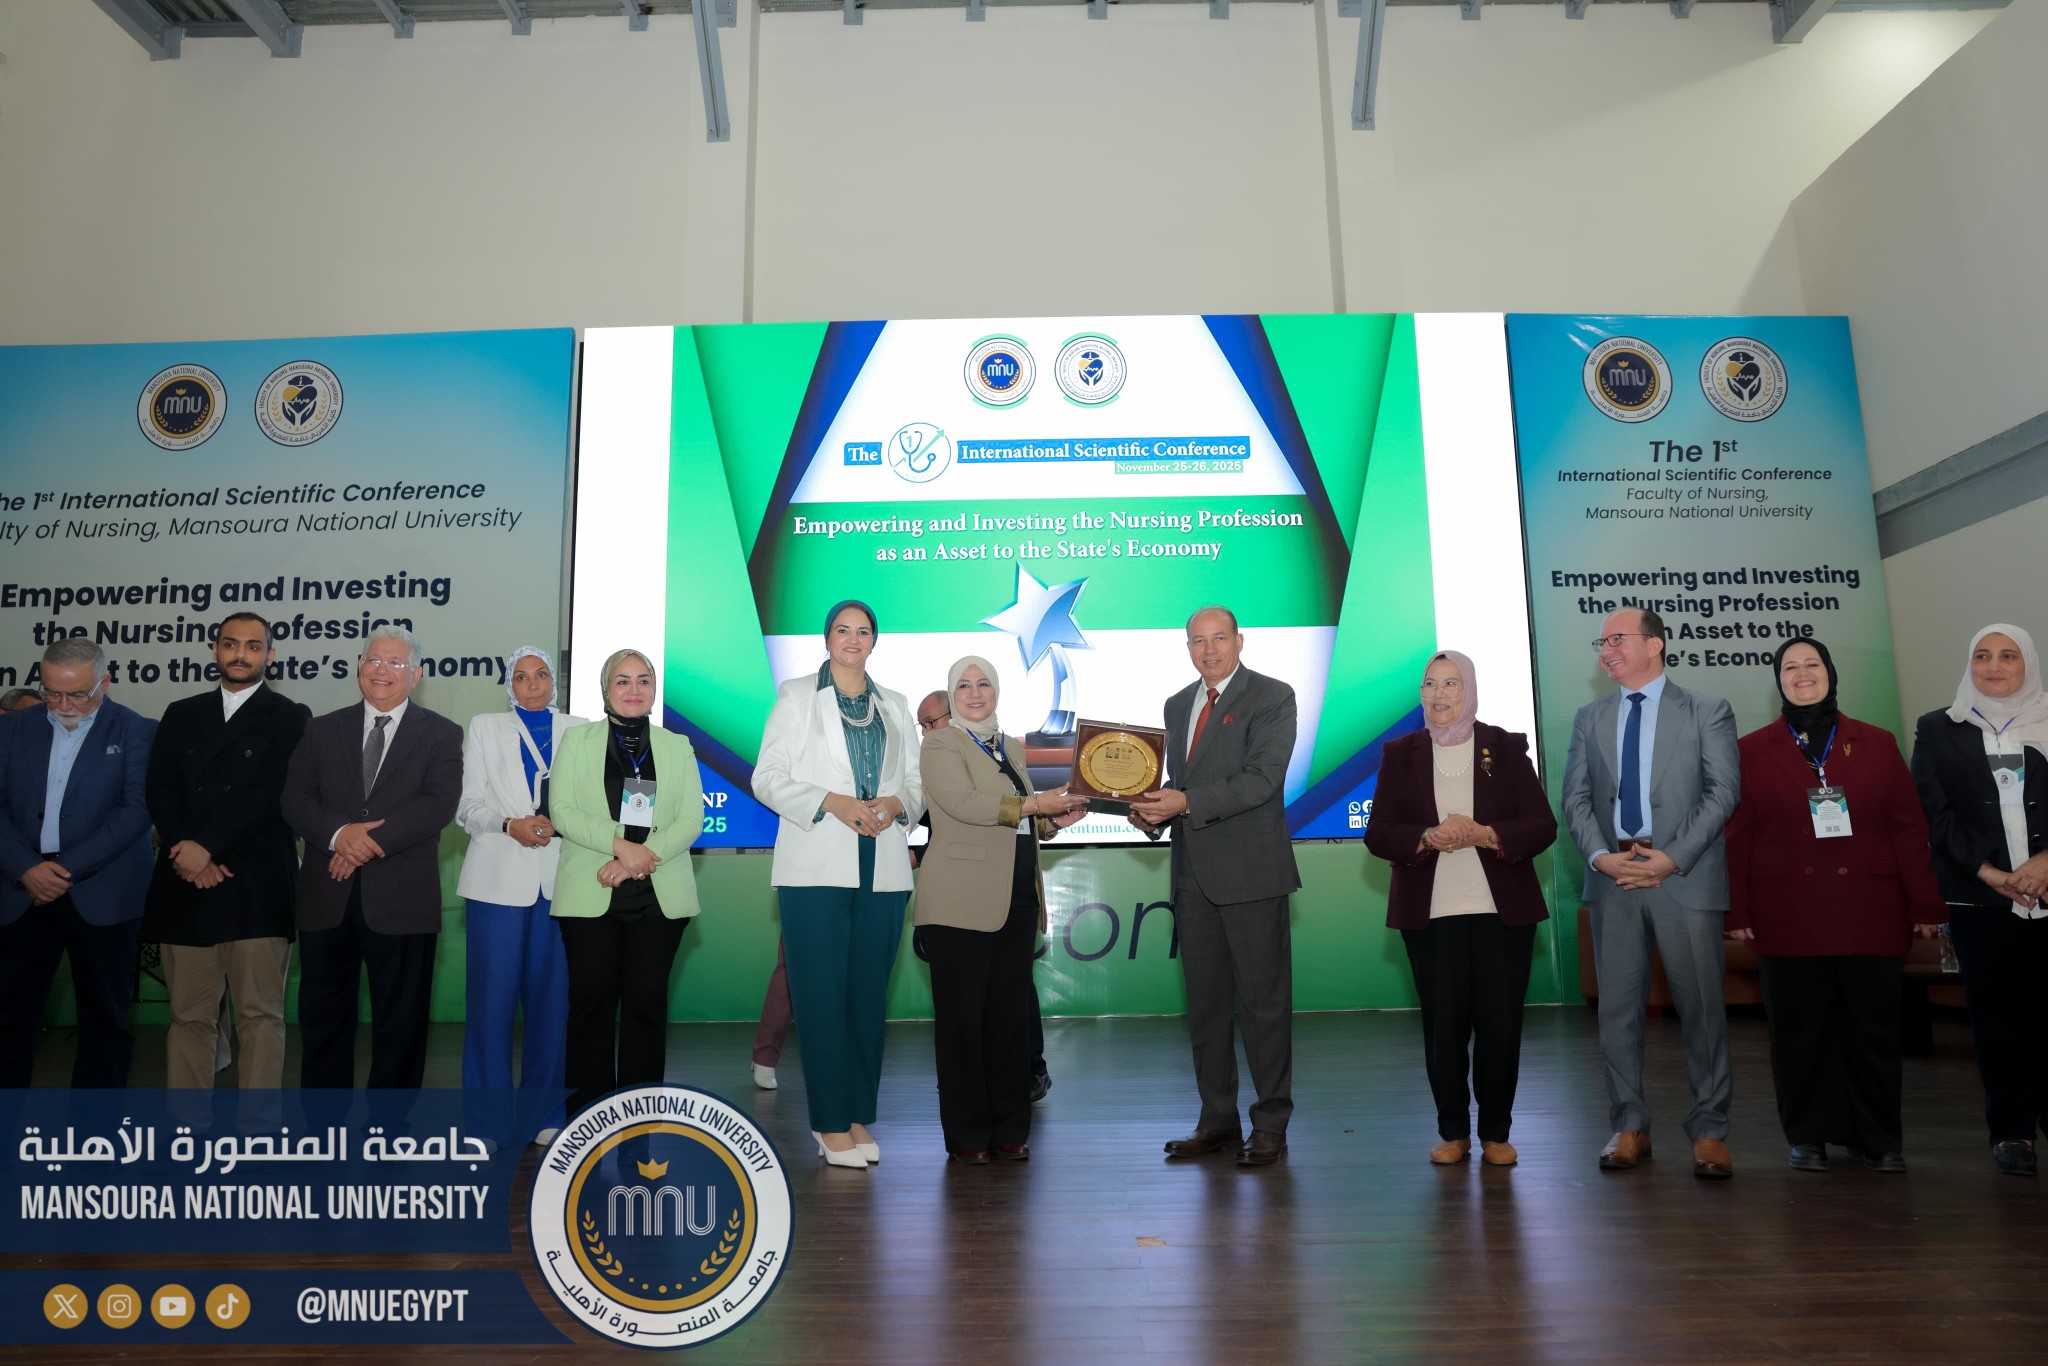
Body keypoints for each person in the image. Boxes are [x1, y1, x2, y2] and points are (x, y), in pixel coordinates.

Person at [1728, 638, 1945, 1173]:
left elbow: (1908, 827)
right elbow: (1738, 836)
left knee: (1874, 1030)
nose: (1802, 673)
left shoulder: (1878, 742)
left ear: (1830, 672)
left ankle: (1878, 1139)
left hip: (1870, 906)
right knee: (1799, 1032)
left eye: (1813, 664)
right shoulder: (1750, 749)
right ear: (1778, 679)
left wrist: (1925, 903)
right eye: (1790, 666)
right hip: (1786, 911)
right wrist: (1737, 911)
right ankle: (1809, 1135)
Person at [1561, 608, 1741, 1178]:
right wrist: (1601, 857)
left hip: (1683, 877)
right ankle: (1629, 1124)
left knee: (1702, 1011)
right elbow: (1576, 799)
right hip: (1614, 877)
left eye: (1617, 639)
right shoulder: (1590, 717)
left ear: (1655, 645)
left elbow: (1723, 792)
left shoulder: (1707, 709)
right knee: (1616, 1012)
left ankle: (1709, 1131)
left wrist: (1671, 857)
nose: (1605, 650)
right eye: (1601, 642)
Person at [1364, 650, 1556, 1167]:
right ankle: (1452, 1132)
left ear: (1468, 689)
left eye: (1451, 684)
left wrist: (1485, 834)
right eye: (1430, 684)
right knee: (1442, 1029)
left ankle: (1496, 1133)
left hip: (1502, 914)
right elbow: (1378, 832)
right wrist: (1426, 837)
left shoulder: (1505, 747)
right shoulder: (1400, 752)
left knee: (1500, 1026)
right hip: (1430, 915)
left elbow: (1542, 825)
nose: (1439, 694)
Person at [753, 600, 923, 1168]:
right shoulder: (798, 695)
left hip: (886, 865)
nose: (853, 639)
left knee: (867, 1000)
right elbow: (766, 777)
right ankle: (828, 1123)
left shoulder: (895, 703)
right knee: (821, 1000)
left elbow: (917, 784)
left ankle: (855, 1116)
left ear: (874, 641)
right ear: (827, 638)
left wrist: (899, 803)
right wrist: (832, 801)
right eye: (843, 630)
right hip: (815, 866)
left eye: (864, 631)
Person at [1130, 606, 1300, 1168]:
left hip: (1252, 873)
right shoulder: (1177, 704)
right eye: (1197, 641)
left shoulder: (1272, 696)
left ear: (1239, 641)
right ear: (1188, 648)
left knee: (1263, 1006)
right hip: (1192, 877)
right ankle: (1218, 1121)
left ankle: (1270, 1124)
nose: (1209, 650)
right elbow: (1181, 783)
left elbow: (1261, 779)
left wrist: (1184, 802)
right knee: (1205, 1008)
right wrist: (1151, 810)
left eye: (1219, 638)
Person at [917, 657, 1087, 1163]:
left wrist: (1056, 821)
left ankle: (1011, 1129)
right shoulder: (941, 744)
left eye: (984, 684)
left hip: (1016, 899)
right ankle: (969, 1137)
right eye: (964, 686)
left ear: (996, 691)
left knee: (1010, 1021)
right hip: (958, 903)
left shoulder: (1009, 746)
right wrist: (1037, 806)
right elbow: (964, 804)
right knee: (962, 1024)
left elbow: (1021, 820)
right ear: (953, 695)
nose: (975, 693)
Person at [282, 625, 463, 1089]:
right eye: (374, 660)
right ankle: (324, 1125)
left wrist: (361, 844)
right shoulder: (321, 729)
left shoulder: (442, 733)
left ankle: (389, 1127)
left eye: (395, 662)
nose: (382, 670)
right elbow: (296, 799)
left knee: (400, 1026)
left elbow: (438, 804)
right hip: (326, 898)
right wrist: (339, 835)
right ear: (360, 667)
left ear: (416, 674)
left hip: (404, 901)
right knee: (323, 1021)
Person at [141, 612, 311, 1089]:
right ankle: (187, 1124)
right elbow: (160, 789)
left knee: (260, 1015)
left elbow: (273, 795)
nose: (241, 654)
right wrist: (188, 852)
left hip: (257, 885)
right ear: (214, 650)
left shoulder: (291, 716)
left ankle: (259, 1126)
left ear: (270, 656)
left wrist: (209, 848)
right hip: (185, 882)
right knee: (190, 1016)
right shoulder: (181, 713)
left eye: (253, 646)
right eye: (231, 644)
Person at [1911, 623, 2048, 1177]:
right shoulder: (1939, 728)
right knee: (1998, 1020)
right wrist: (1990, 872)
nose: (1994, 666)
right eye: (1983, 656)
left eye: (2008, 656)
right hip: (1979, 900)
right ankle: (2013, 1130)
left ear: (2027, 663)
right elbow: (1934, 812)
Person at [549, 649, 703, 1118]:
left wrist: (636, 861)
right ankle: (587, 1122)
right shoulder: (577, 741)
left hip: (658, 894)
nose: (633, 689)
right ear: (605, 689)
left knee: (646, 1007)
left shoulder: (677, 745)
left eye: (643, 680)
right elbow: (562, 811)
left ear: (654, 689)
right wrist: (620, 847)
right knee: (591, 1006)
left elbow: (691, 819)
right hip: (590, 891)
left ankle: (639, 1123)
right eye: (622, 680)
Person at [0, 639, 155, 1087]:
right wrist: (26, 868)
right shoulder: (12, 729)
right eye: (52, 693)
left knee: (105, 1023)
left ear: (105, 682)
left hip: (104, 894)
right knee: (8, 1021)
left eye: (77, 694)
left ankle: (93, 1129)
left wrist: (62, 871)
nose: (64, 705)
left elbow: (136, 810)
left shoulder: (137, 730)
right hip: (21, 891)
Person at [455, 646, 587, 1138]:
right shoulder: (485, 727)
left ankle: (545, 1115)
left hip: (562, 881)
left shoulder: (580, 729)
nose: (534, 684)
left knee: (553, 1006)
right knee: (490, 1006)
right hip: (496, 883)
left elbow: (592, 803)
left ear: (555, 681)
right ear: (509, 684)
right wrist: (509, 823)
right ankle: (486, 1121)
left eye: (542, 674)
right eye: (522, 676)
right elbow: (467, 807)